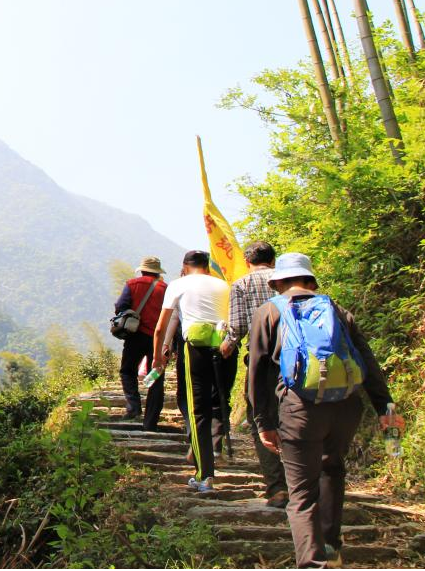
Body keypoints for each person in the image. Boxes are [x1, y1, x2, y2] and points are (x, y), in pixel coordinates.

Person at [247, 253, 405, 569]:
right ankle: (332, 549)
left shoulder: (269, 312)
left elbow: (256, 370)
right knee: (332, 468)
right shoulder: (336, 310)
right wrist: (385, 410)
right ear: (310, 281)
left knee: (302, 494)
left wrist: (262, 420)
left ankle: (312, 564)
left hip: (300, 410)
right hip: (347, 408)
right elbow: (368, 364)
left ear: (278, 283)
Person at [153, 250, 234, 493]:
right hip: (225, 347)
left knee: (198, 410)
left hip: (195, 349)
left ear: (185, 266)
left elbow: (161, 327)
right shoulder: (223, 285)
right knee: (219, 400)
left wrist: (158, 358)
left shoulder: (178, 284)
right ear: (207, 266)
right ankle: (218, 447)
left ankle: (205, 475)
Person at [220, 240, 288, 509]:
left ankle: (277, 487)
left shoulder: (243, 284)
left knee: (261, 419)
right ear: (273, 260)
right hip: (295, 359)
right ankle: (301, 482)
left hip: (261, 361)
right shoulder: (287, 281)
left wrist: (227, 345)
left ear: (247, 262)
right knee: (292, 418)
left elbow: (237, 326)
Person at [113, 257, 168, 429]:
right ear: (158, 272)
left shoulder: (132, 284)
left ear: (142, 270)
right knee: (157, 375)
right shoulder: (165, 288)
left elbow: (120, 306)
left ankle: (134, 407)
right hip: (158, 338)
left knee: (128, 371)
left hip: (136, 335)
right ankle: (151, 419)